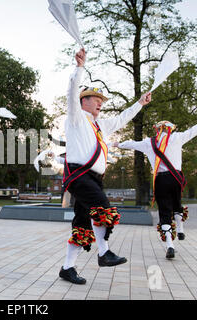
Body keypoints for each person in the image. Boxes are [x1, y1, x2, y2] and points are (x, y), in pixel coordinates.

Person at [59, 48, 152, 285]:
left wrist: (139, 103)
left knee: (82, 225)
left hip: (93, 178)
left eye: (102, 101)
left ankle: (67, 268)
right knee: (102, 207)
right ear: (84, 101)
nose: (100, 104)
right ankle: (104, 252)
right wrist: (79, 68)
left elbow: (122, 118)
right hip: (79, 176)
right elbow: (71, 92)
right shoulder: (76, 117)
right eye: (96, 99)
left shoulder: (100, 125)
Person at [113, 113, 197, 259]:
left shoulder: (149, 143)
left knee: (164, 211)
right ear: (170, 129)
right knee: (177, 204)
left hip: (160, 180)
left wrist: (118, 144)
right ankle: (180, 229)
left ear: (157, 130)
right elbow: (195, 130)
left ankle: (170, 245)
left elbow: (132, 144)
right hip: (176, 178)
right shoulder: (177, 138)